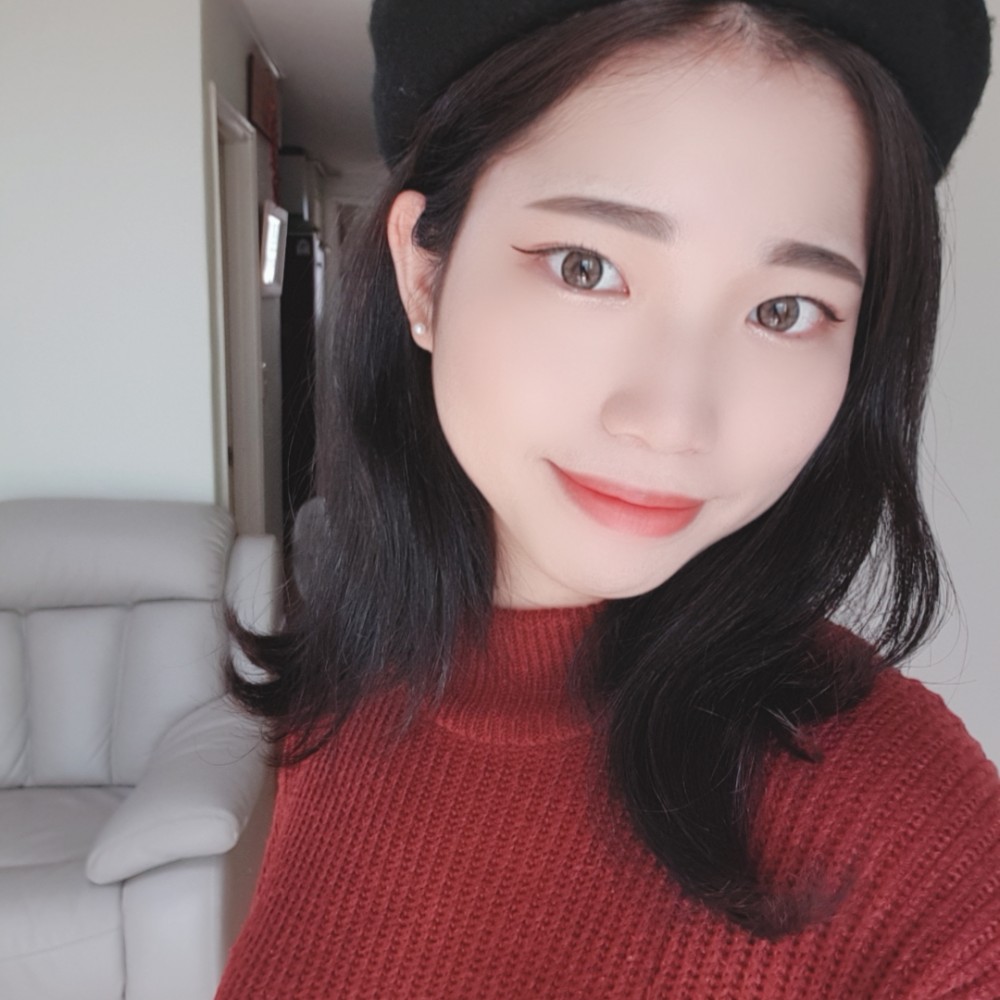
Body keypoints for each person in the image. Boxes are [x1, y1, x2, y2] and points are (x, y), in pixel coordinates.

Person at [216, 1, 999, 996]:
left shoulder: (918, 839)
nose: (671, 420)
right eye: (587, 268)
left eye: (784, 309)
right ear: (425, 275)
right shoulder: (345, 687)